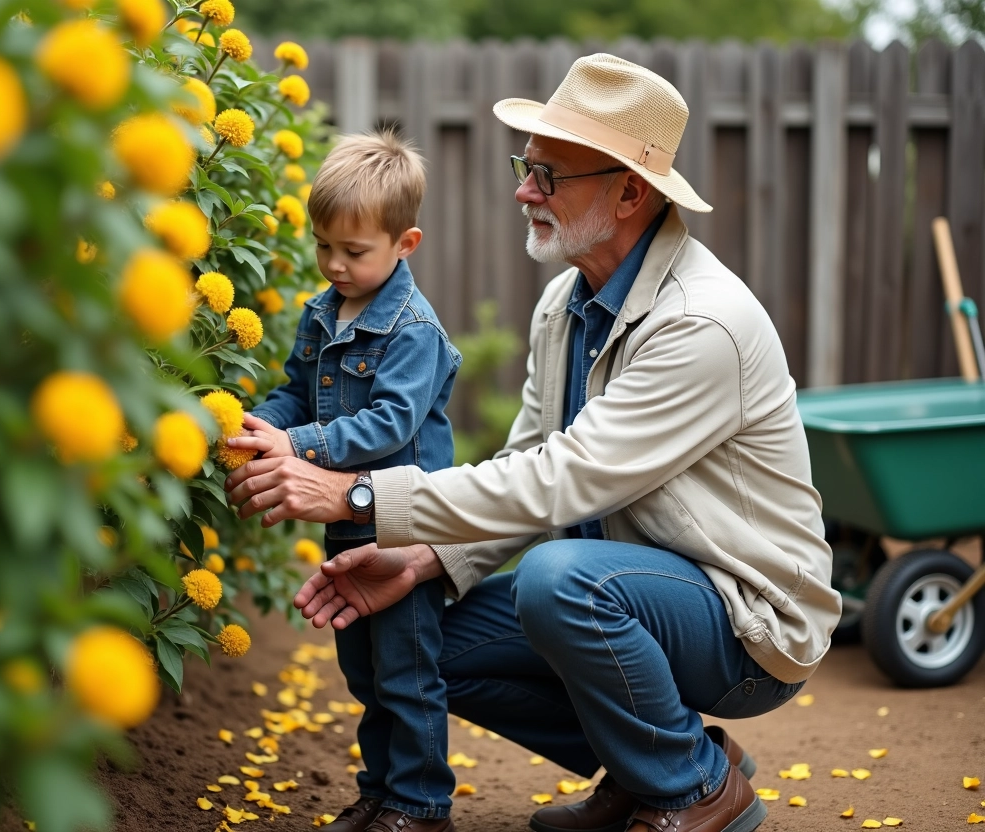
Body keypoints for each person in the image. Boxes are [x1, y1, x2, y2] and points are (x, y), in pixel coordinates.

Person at [224, 54, 841, 832]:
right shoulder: (565, 303)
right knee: (424, 635)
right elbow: (522, 467)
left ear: (629, 192)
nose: (523, 190)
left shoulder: (700, 323)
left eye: (549, 175)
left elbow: (565, 481)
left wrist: (354, 494)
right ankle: (651, 763)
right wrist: (423, 561)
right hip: (634, 591)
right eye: (528, 167)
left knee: (560, 581)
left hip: (744, 622)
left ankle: (693, 786)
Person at [241, 131, 463, 832]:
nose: (334, 264)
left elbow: (390, 427)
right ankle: (381, 790)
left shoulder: (412, 329)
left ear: (406, 243)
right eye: (322, 245)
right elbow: (295, 395)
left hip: (403, 526)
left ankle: (421, 804)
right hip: (348, 520)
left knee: (407, 671)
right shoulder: (321, 313)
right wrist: (259, 427)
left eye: (354, 250)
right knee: (364, 675)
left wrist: (296, 445)